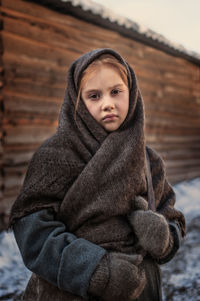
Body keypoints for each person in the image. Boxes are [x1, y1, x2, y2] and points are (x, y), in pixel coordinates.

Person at [9, 48, 186, 301]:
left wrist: (163, 236)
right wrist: (98, 272)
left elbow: (173, 218)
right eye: (94, 96)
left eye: (116, 91)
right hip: (71, 291)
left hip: (140, 289)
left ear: (132, 93)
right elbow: (34, 234)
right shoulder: (55, 155)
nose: (108, 103)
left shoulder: (149, 161)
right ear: (77, 102)